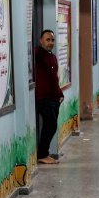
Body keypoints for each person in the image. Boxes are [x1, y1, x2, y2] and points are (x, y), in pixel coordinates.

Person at [34, 30, 63, 164]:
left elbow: (54, 78)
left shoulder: (53, 57)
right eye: (47, 40)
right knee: (50, 124)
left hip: (54, 98)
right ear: (41, 41)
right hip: (43, 97)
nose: (50, 42)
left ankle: (44, 153)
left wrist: (59, 94)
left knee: (52, 125)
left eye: (52, 40)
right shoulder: (37, 54)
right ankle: (42, 154)